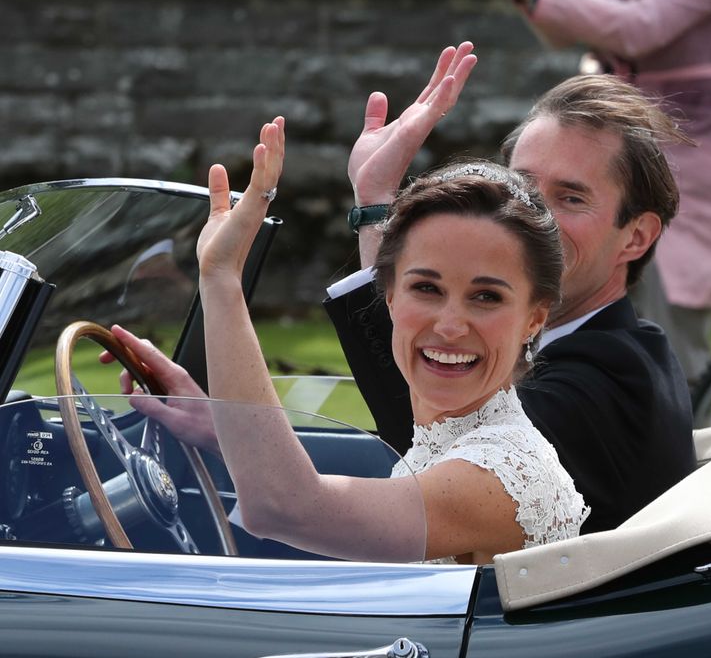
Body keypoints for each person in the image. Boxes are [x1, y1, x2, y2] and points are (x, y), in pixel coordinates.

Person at [107, 121, 589, 564]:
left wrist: (220, 279)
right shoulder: (450, 439)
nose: (449, 325)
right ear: (391, 297)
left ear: (533, 318)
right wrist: (217, 423)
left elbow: (283, 507)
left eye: (486, 296)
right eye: (427, 288)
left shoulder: (503, 473)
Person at [324, 42, 696, 534]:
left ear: (637, 236)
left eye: (570, 197)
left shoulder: (609, 378)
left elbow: (426, 433)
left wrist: (376, 205)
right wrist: (237, 430)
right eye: (522, 186)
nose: (535, 218)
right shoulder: (598, 348)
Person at [508, 0, 711, 383]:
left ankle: (694, 441)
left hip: (689, 185)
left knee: (680, 361)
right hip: (599, 176)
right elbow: (561, 30)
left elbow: (638, 29)